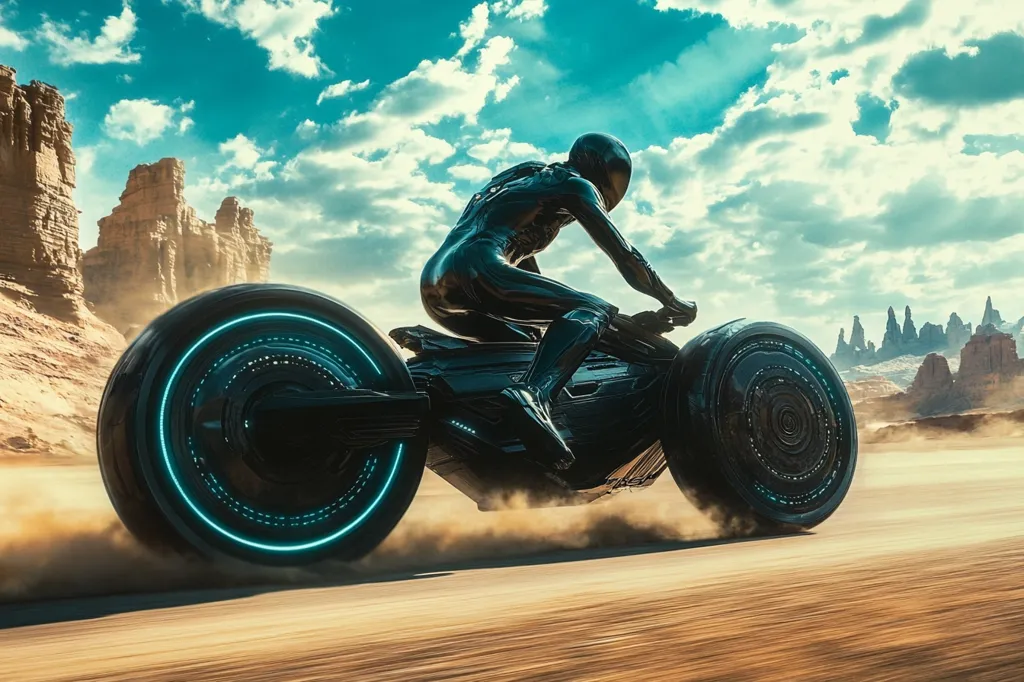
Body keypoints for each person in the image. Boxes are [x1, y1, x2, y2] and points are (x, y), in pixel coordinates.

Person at [420, 132, 697, 470]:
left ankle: (463, 383)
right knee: (594, 308)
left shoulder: (525, 177)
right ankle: (535, 396)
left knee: (529, 344)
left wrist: (609, 323)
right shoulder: (577, 186)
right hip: (477, 269)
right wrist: (671, 300)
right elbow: (625, 255)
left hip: (436, 284)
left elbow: (523, 269)